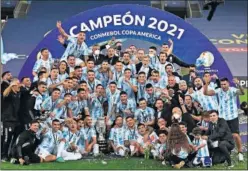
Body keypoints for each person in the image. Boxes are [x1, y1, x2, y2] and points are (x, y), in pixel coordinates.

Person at [203, 77, 244, 161]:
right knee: (222, 136)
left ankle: (240, 153)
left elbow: (242, 92)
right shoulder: (218, 91)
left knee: (235, 135)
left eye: (225, 84)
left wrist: (239, 84)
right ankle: (226, 153)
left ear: (228, 83)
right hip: (222, 118)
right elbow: (206, 93)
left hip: (232, 116)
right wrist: (206, 83)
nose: (223, 86)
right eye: (221, 84)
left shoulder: (233, 90)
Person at [1, 79, 21, 161]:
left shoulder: (18, 94)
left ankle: (11, 154)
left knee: (15, 139)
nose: (19, 85)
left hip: (16, 120)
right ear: (13, 85)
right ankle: (3, 156)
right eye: (17, 84)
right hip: (8, 120)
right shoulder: (8, 94)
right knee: (7, 138)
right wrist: (10, 85)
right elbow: (4, 94)